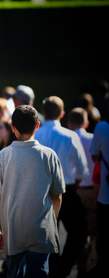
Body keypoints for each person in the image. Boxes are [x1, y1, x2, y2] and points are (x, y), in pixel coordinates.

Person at [0, 105, 65, 278]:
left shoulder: (3, 156)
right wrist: (51, 221)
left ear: (13, 128)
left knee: (15, 272)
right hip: (41, 228)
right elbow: (57, 196)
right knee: (39, 272)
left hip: (12, 229)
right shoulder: (49, 155)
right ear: (37, 125)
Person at [35, 96, 89, 278]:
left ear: (43, 113)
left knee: (47, 235)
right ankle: (63, 268)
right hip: (67, 189)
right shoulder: (70, 135)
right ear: (62, 114)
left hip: (41, 191)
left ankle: (53, 267)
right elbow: (81, 169)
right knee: (79, 232)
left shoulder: (36, 135)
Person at [67, 108, 98, 274]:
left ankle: (82, 267)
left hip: (76, 190)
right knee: (94, 231)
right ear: (86, 122)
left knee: (78, 233)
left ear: (70, 123)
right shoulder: (94, 139)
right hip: (94, 190)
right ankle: (93, 265)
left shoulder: (68, 138)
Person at [88, 120, 109, 277]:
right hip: (103, 195)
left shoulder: (103, 127)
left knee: (103, 237)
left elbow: (95, 157)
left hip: (105, 195)